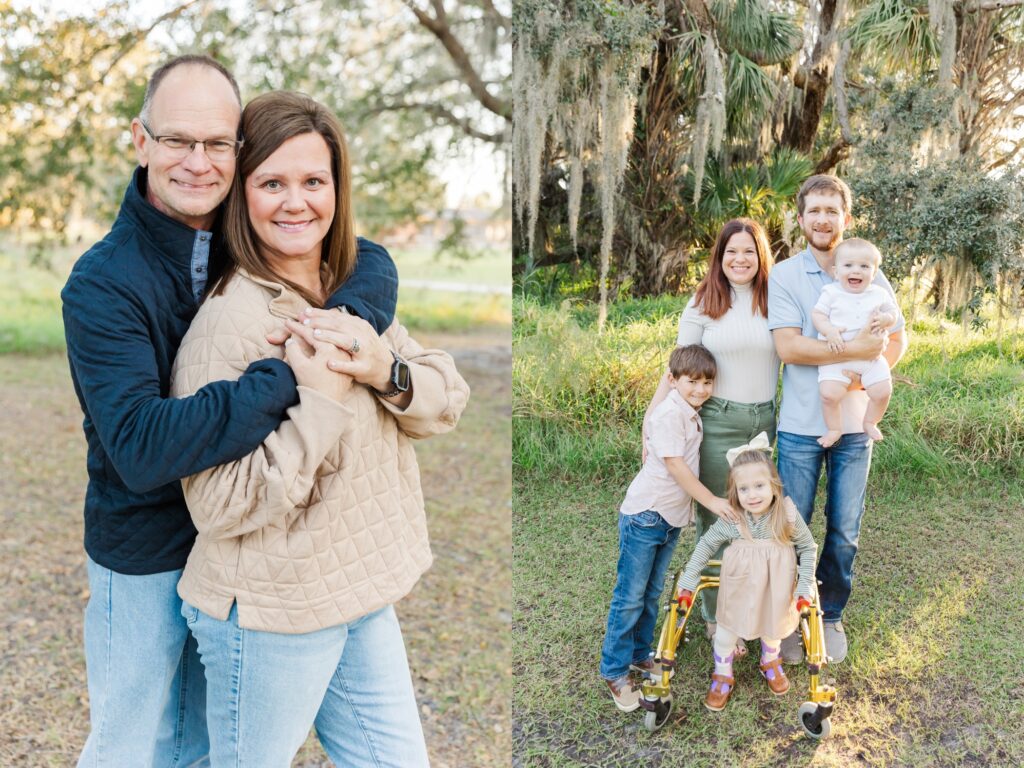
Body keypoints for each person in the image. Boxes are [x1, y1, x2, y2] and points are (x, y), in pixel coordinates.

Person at [61, 56, 398, 766]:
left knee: (207, 742)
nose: (198, 161)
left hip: (242, 547)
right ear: (141, 141)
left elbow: (367, 258)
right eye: (178, 140)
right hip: (148, 550)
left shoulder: (245, 231)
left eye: (218, 144)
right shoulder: (103, 282)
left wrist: (338, 327)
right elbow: (140, 446)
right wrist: (285, 375)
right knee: (133, 742)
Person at [169, 90, 469, 766]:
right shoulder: (230, 325)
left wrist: (382, 367)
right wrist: (321, 400)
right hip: (274, 612)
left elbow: (446, 397)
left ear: (338, 188)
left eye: (313, 181)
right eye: (272, 183)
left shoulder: (349, 292)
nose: (295, 201)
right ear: (242, 196)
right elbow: (216, 504)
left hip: (357, 590)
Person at [767, 174, 908, 664]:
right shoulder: (785, 276)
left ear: (845, 218)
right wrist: (854, 350)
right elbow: (789, 347)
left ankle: (829, 614)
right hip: (801, 424)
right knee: (792, 523)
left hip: (854, 427)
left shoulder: (869, 269)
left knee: (844, 528)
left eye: (833, 211)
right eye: (815, 211)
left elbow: (895, 342)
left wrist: (852, 378)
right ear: (801, 218)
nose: (823, 219)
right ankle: (786, 617)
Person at [642, 218, 780, 642]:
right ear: (719, 257)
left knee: (761, 522)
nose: (740, 259)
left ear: (761, 256)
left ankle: (756, 614)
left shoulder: (777, 300)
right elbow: (678, 370)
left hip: (766, 423)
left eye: (749, 251)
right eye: (731, 251)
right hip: (717, 420)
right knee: (719, 520)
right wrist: (650, 424)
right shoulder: (703, 302)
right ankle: (717, 620)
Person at [600, 344, 728, 712]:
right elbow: (676, 468)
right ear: (672, 381)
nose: (701, 389)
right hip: (646, 515)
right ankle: (613, 670)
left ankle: (641, 654)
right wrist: (712, 502)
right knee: (629, 597)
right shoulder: (670, 415)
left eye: (707, 382)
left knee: (652, 591)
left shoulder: (689, 411)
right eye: (692, 381)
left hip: (669, 519)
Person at [675, 440, 817, 711]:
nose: (752, 495)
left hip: (776, 588)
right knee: (727, 631)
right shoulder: (733, 519)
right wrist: (689, 579)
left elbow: (807, 547)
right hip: (739, 589)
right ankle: (723, 672)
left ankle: (770, 659)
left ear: (774, 485)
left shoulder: (786, 516)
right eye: (744, 489)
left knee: (772, 627)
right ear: (735, 492)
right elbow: (706, 544)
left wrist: (805, 585)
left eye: (759, 486)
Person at [812, 238, 900, 447]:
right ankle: (834, 429)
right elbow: (818, 315)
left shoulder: (879, 293)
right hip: (837, 356)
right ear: (835, 271)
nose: (856, 271)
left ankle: (870, 421)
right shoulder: (831, 293)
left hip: (871, 359)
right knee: (828, 394)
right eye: (848, 265)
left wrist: (887, 319)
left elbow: (893, 313)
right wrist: (830, 332)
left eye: (864, 266)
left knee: (883, 391)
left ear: (874, 272)